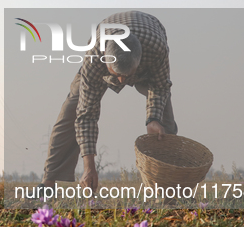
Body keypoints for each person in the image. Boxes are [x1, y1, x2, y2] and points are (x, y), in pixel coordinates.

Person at [39, 10, 178, 192]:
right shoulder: (95, 57)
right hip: (102, 59)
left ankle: (170, 186)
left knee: (163, 120)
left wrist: (153, 118)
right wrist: (89, 166)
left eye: (126, 76)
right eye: (116, 75)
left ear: (139, 61)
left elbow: (160, 87)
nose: (121, 82)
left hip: (150, 45)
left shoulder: (156, 49)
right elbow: (86, 114)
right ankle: (49, 183)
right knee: (72, 110)